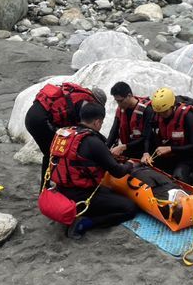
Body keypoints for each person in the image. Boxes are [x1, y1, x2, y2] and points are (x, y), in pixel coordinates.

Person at [48, 102, 139, 239]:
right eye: (101, 123)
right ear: (97, 122)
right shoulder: (92, 141)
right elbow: (117, 172)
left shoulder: (66, 133)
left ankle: (80, 212)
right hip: (80, 196)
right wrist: (130, 164)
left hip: (61, 189)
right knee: (129, 208)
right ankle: (86, 223)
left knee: (108, 192)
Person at [25, 82, 107, 180]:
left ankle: (51, 185)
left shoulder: (76, 95)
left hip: (31, 118)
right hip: (42, 122)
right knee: (53, 154)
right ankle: (50, 187)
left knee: (53, 151)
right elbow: (83, 128)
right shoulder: (85, 103)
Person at [142, 87, 193, 186]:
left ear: (172, 106)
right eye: (159, 113)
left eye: (165, 112)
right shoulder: (157, 114)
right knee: (146, 172)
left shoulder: (187, 116)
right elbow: (148, 136)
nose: (162, 115)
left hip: (184, 157)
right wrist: (146, 152)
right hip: (164, 157)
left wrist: (171, 149)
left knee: (179, 178)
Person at [106, 81, 154, 160]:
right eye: (117, 101)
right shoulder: (120, 110)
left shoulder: (147, 110)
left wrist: (124, 147)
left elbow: (146, 137)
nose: (119, 104)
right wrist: (106, 149)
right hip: (128, 149)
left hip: (143, 151)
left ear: (129, 95)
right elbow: (114, 132)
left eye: (120, 101)